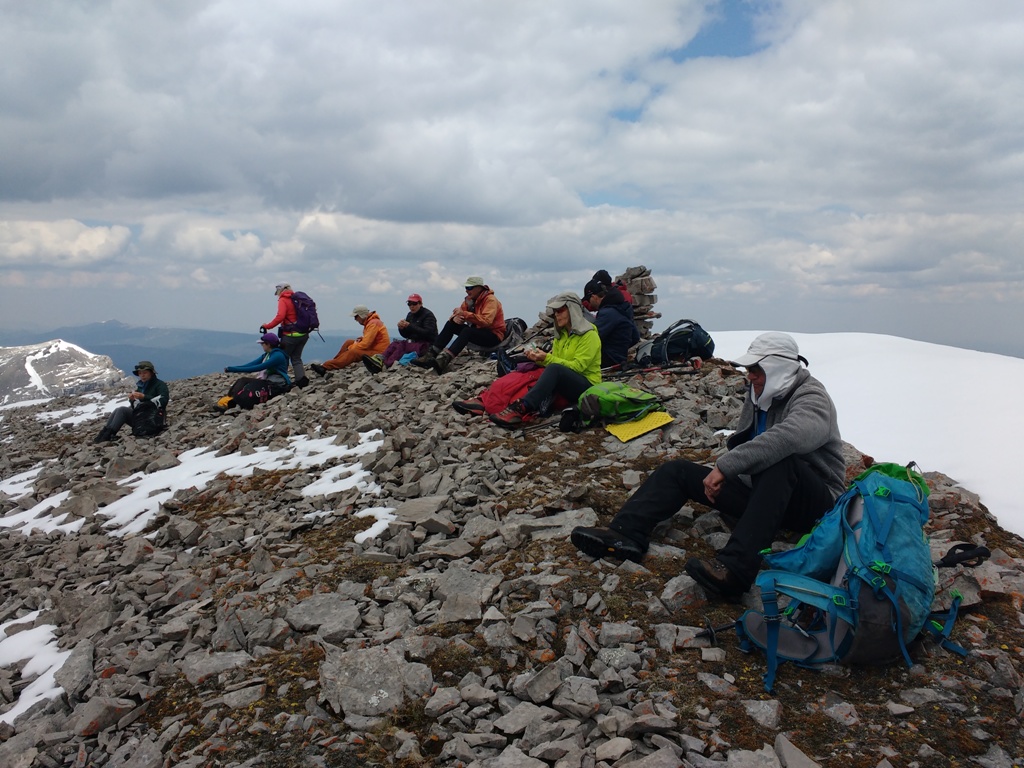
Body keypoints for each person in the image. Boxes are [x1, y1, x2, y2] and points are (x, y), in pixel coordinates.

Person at [570, 332, 845, 600]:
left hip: (816, 504)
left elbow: (789, 437)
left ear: (778, 368)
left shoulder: (811, 396)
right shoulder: (761, 392)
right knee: (677, 471)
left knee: (781, 462)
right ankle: (624, 534)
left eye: (756, 369)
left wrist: (726, 467)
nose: (749, 376)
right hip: (765, 496)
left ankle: (735, 571)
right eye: (749, 369)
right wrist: (728, 475)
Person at [487, 292, 602, 427]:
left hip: (588, 386)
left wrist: (547, 358)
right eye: (555, 312)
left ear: (573, 309)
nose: (556, 315)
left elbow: (578, 367)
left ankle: (522, 407)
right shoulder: (562, 335)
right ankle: (498, 399)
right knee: (537, 368)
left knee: (554, 369)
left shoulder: (589, 335)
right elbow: (558, 362)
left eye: (560, 310)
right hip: (568, 383)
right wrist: (538, 359)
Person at [412, 276, 505, 374]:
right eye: (466, 288)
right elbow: (459, 313)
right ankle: (431, 355)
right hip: (478, 332)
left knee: (467, 331)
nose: (466, 290)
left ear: (479, 288)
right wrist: (455, 318)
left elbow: (486, 321)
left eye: (469, 288)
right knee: (451, 324)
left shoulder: (490, 300)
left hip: (493, 335)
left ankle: (443, 361)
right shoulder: (470, 300)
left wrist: (464, 314)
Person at [94, 361, 170, 442]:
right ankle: (103, 435)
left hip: (154, 419)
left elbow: (163, 401)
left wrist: (144, 397)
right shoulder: (140, 386)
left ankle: (107, 436)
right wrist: (132, 400)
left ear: (151, 373)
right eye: (140, 373)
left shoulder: (160, 385)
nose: (142, 375)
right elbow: (136, 407)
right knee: (117, 410)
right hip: (142, 417)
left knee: (122, 410)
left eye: (145, 373)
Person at [215, 333, 292, 412]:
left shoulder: (277, 355)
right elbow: (251, 364)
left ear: (268, 344)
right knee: (243, 380)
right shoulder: (267, 355)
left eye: (262, 344)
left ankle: (231, 403)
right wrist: (232, 368)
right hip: (269, 381)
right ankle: (228, 400)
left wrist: (233, 369)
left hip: (277, 384)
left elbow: (258, 367)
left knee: (250, 387)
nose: (261, 346)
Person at [310, 305, 389, 376]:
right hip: (373, 348)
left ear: (361, 315)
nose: (355, 319)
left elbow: (365, 344)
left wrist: (351, 348)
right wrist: (361, 339)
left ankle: (325, 367)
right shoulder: (371, 322)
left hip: (378, 353)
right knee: (348, 342)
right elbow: (371, 339)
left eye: (356, 317)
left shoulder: (373, 324)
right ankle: (335, 361)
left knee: (352, 352)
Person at [261, 283, 310, 388]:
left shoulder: (283, 300)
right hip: (303, 334)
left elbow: (280, 316)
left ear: (280, 291)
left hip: (290, 335)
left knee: (283, 358)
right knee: (296, 358)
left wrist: (267, 326)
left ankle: (281, 382)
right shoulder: (296, 299)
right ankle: (301, 382)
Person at [583, 278, 640, 368]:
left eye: (588, 300)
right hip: (620, 359)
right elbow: (635, 337)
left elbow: (592, 338)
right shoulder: (623, 307)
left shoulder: (607, 313)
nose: (590, 304)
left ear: (594, 297)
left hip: (607, 360)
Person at [375, 294, 438, 371]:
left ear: (420, 304)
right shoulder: (410, 315)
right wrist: (401, 328)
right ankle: (380, 359)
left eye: (414, 304)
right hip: (413, 342)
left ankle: (387, 364)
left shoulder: (428, 315)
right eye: (409, 304)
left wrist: (409, 326)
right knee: (394, 344)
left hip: (425, 344)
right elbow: (406, 335)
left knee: (402, 346)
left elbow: (428, 333)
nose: (412, 306)